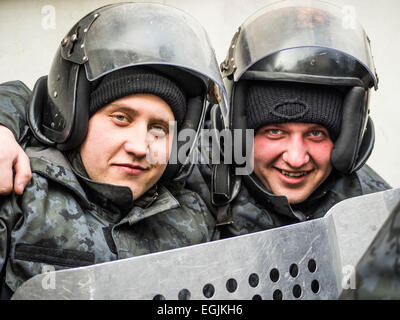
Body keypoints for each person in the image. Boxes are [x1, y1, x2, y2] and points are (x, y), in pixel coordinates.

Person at [0, 2, 228, 299]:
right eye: (121, 118)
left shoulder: (195, 220)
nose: (138, 147)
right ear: (75, 119)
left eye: (159, 129)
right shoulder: (20, 195)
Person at [186, 0, 391, 237]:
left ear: (348, 140)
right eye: (275, 131)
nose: (295, 159)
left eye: (316, 134)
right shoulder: (187, 183)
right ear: (237, 131)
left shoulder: (373, 206)